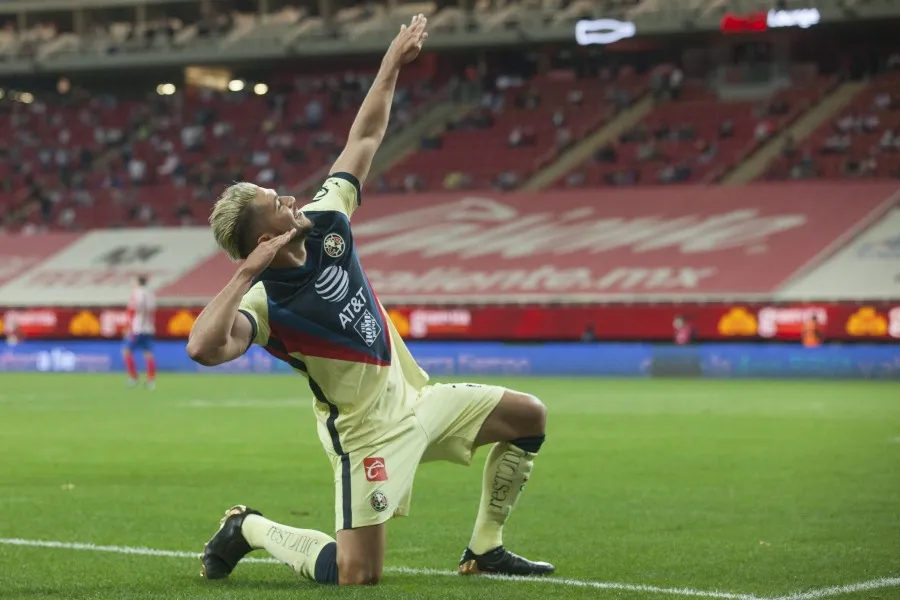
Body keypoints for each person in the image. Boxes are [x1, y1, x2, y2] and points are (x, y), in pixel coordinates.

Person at [186, 14, 552, 587]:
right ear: (263, 241)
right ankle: (248, 527)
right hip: (365, 438)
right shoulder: (263, 305)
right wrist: (245, 275)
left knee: (529, 416)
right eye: (276, 204)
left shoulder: (327, 218)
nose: (290, 198)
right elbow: (202, 349)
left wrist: (391, 63)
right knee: (357, 574)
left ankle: (486, 549)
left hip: (418, 401)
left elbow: (363, 139)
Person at [123, 275, 157, 389]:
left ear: (138, 282)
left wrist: (129, 327)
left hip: (137, 328)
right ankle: (151, 380)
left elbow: (134, 309)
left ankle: (133, 378)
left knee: (127, 352)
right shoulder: (150, 293)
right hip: (149, 327)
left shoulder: (137, 293)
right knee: (148, 354)